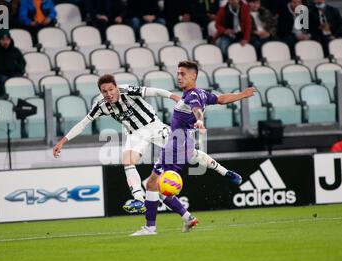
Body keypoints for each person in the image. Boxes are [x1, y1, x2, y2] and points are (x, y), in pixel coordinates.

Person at [53, 74, 239, 215]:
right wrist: (63, 141)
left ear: (116, 87)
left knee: (191, 154)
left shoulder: (127, 91)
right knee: (127, 159)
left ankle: (225, 172)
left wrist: (173, 97)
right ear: (101, 92)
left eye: (111, 89)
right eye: (104, 91)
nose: (108, 94)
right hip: (135, 134)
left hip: (154, 126)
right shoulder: (100, 105)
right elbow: (84, 123)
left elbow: (153, 91)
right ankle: (138, 199)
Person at [131, 60, 256, 236]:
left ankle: (150, 228)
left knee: (153, 184)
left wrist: (199, 120)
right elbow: (221, 99)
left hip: (175, 146)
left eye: (183, 74)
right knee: (158, 186)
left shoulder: (192, 96)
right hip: (184, 146)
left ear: (193, 76)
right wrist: (242, 94)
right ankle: (188, 217)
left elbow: (197, 109)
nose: (179, 77)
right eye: (178, 73)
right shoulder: (202, 93)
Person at [0, 29, 26, 94]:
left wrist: (17, 68)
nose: (5, 42)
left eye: (7, 39)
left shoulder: (15, 50)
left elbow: (22, 62)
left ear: (10, 40)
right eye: (3, 40)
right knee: (5, 81)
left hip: (14, 73)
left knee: (22, 80)